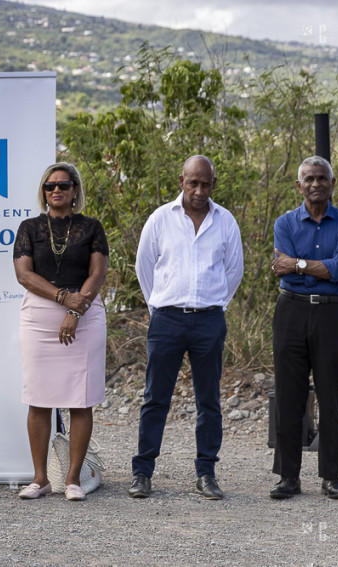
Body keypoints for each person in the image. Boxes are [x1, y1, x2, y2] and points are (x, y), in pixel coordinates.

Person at [130, 155, 243, 500]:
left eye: (205, 183)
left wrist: (217, 306)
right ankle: (142, 472)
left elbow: (234, 271)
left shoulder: (225, 222)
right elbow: (144, 266)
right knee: (155, 398)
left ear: (213, 184)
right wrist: (158, 306)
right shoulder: (161, 219)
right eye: (192, 182)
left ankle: (206, 472)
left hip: (209, 320)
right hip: (167, 319)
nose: (198, 190)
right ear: (182, 181)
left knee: (208, 400)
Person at [13, 162, 108, 502]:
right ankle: (41, 479)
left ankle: (72, 479)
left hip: (85, 313)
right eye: (50, 186)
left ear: (75, 190)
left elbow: (96, 275)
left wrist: (73, 308)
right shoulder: (29, 228)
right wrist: (61, 298)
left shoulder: (92, 227)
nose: (56, 191)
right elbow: (24, 274)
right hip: (39, 317)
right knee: (38, 398)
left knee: (81, 399)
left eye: (63, 186)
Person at [269, 156, 338, 500]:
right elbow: (282, 268)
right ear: (299, 185)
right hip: (291, 312)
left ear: (332, 184)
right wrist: (313, 267)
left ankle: (332, 477)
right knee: (289, 396)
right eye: (309, 178)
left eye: (322, 178)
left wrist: (300, 264)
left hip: (332, 315)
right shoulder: (285, 223)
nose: (316, 184)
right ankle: (288, 477)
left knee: (330, 397)